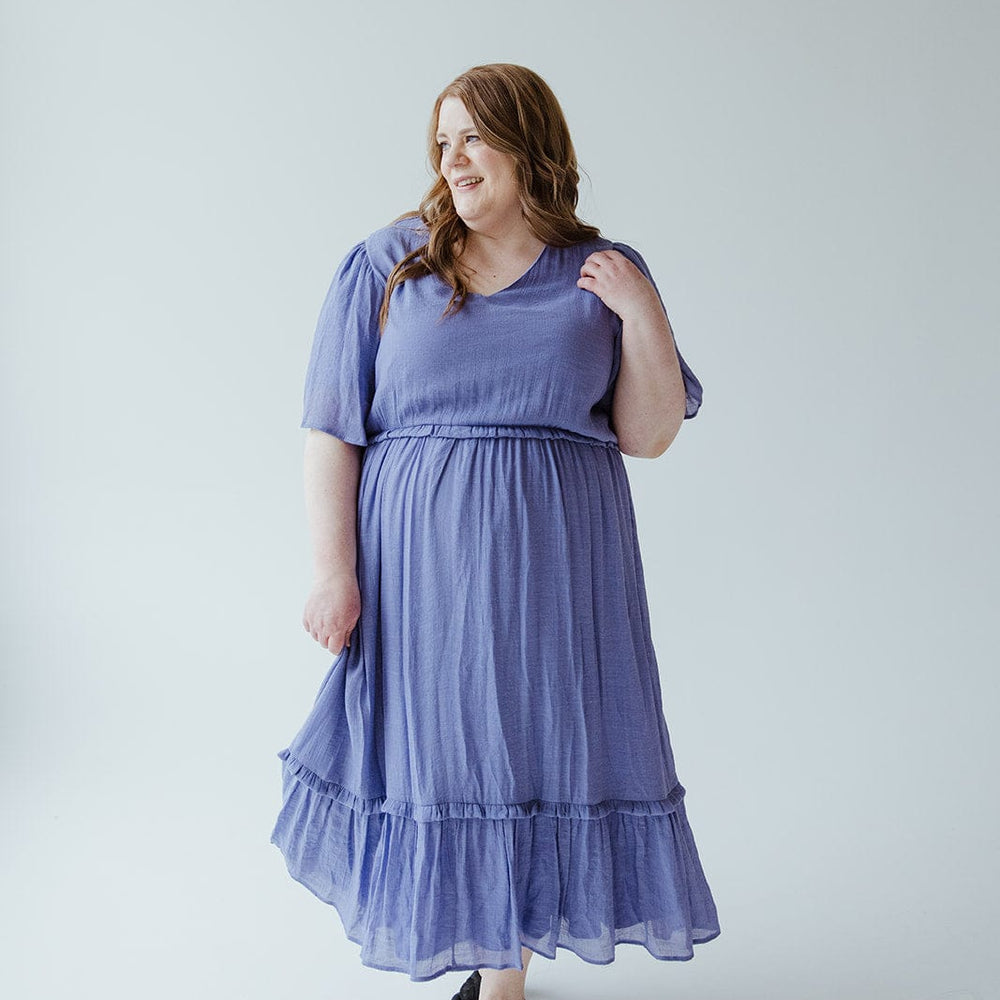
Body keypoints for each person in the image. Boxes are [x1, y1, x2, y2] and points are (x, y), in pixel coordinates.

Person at [270, 63, 721, 1000]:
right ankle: (488, 964)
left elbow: (647, 433)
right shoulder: (390, 262)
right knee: (445, 752)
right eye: (443, 142)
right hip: (421, 568)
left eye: (473, 137)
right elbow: (332, 427)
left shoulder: (602, 270)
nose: (454, 159)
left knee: (536, 747)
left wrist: (640, 310)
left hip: (563, 562)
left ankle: (502, 975)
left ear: (529, 142)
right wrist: (332, 572)